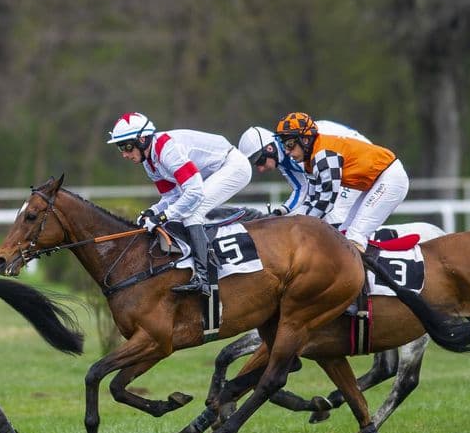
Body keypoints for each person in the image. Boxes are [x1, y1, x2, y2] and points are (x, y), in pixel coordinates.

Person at [107, 111, 252, 296]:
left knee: (192, 213)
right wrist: (152, 211)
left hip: (233, 166)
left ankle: (204, 277)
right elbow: (171, 197)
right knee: (183, 212)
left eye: (127, 147)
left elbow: (194, 192)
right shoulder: (149, 162)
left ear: (142, 139)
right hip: (212, 173)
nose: (125, 154)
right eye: (121, 148)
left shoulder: (167, 150)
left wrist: (163, 216)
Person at [272, 112, 409, 253]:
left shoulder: (324, 154)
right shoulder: (309, 161)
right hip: (375, 182)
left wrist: (300, 228)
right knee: (343, 234)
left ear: (305, 140)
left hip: (390, 178)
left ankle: (372, 274)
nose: (287, 152)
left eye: (289, 144)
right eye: (284, 146)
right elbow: (312, 199)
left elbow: (325, 202)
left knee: (354, 238)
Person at [238, 119, 370, 226]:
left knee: (333, 214)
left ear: (269, 148)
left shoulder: (293, 150)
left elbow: (319, 195)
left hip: (356, 160)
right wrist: (279, 212)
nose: (260, 169)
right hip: (337, 161)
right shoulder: (284, 154)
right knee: (309, 216)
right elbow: (301, 188)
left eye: (260, 161)